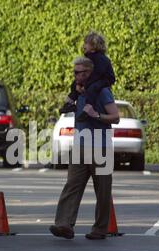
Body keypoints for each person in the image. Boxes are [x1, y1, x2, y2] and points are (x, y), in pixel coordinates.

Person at [50, 57, 120, 240]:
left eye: (79, 72)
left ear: (89, 72)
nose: (76, 76)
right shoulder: (79, 91)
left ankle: (100, 228)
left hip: (101, 146)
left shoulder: (102, 92)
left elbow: (115, 117)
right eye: (74, 72)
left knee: (103, 189)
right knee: (72, 185)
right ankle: (64, 224)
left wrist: (95, 114)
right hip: (80, 144)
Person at [60, 31, 116, 121]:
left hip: (105, 79)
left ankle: (87, 109)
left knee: (93, 88)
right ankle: (69, 103)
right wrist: (78, 84)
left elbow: (97, 74)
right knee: (75, 83)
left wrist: (85, 86)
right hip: (95, 77)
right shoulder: (89, 57)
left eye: (86, 43)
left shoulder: (101, 58)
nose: (83, 45)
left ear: (94, 46)